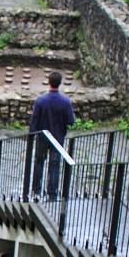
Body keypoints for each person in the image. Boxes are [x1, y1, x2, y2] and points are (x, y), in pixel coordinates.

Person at [29, 71, 75, 200]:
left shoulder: (40, 101)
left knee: (39, 163)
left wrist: (32, 134)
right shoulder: (65, 102)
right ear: (59, 84)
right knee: (54, 166)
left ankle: (36, 190)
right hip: (58, 138)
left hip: (42, 138)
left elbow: (34, 122)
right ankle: (52, 193)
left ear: (49, 82)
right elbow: (71, 121)